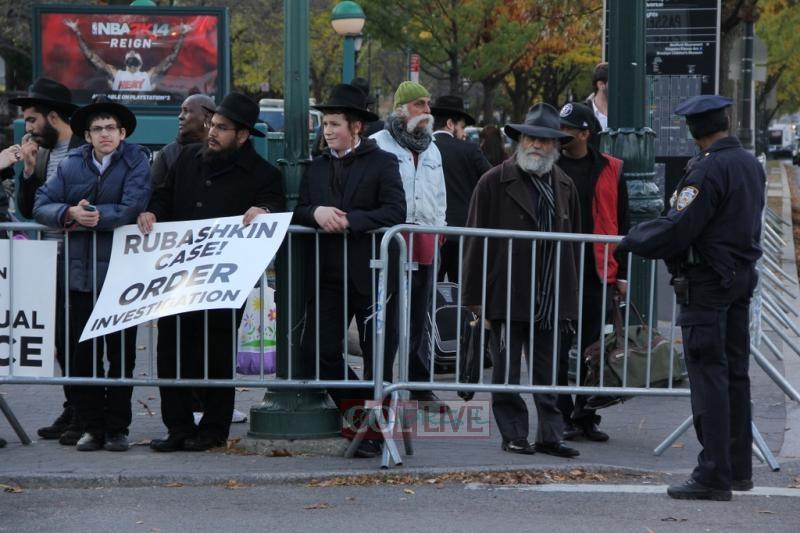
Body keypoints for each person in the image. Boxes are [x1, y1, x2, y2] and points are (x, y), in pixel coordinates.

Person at [616, 95, 765, 501]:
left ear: (692, 131)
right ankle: (737, 469)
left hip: (706, 283)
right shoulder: (749, 165)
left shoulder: (707, 169)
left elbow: (680, 228)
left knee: (708, 377)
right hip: (737, 279)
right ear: (727, 122)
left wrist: (632, 240)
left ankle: (714, 473)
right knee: (735, 375)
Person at [138, 93, 285, 452]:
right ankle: (178, 427)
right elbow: (163, 195)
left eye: (222, 128)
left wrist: (263, 210)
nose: (212, 132)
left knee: (217, 350)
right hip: (177, 274)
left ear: (243, 135)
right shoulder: (188, 158)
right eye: (212, 125)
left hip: (224, 280)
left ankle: (214, 428)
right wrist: (152, 213)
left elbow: (275, 207)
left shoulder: (264, 174)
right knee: (172, 349)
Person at [462, 103, 581, 458]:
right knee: (506, 370)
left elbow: (573, 243)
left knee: (550, 370)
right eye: (530, 138)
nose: (536, 146)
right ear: (520, 140)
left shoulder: (565, 184)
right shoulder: (493, 181)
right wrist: (473, 294)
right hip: (507, 291)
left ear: (556, 146)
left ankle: (550, 434)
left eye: (544, 141)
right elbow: (473, 240)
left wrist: (570, 296)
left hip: (550, 293)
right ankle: (513, 433)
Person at [294, 83, 406, 458]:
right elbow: (299, 209)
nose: (327, 131)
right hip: (327, 275)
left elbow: (395, 211)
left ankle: (376, 436)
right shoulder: (316, 167)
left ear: (356, 127)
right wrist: (316, 213)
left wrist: (351, 220)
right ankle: (363, 421)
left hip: (372, 273)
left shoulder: (383, 162)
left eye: (335, 124)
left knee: (379, 358)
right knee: (316, 351)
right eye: (324, 123)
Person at [34, 100, 152, 452]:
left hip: (121, 276)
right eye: (98, 129)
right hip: (79, 274)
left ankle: (117, 428)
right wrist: (67, 212)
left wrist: (95, 216)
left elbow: (134, 204)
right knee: (81, 356)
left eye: (111, 128)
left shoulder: (137, 161)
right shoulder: (71, 165)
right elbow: (41, 203)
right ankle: (90, 426)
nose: (105, 134)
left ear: (122, 133)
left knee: (120, 356)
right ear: (87, 135)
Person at [7, 79, 85, 444]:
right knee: (60, 341)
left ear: (54, 116)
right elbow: (30, 208)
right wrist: (27, 171)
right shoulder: (46, 153)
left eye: (33, 119)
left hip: (81, 258)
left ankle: (86, 412)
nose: (29, 127)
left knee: (78, 339)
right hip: (49, 257)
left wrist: (59, 211)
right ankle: (73, 406)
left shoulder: (83, 150)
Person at [555, 102, 629, 442]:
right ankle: (560, 412)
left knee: (592, 348)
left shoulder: (611, 168)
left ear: (585, 133)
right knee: (557, 344)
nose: (560, 134)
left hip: (597, 272)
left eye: (567, 129)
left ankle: (585, 413)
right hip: (557, 270)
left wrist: (622, 274)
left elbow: (623, 222)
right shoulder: (549, 165)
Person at [371, 81, 447, 404]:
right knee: (387, 315)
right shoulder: (378, 144)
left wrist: (441, 229)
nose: (427, 111)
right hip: (391, 238)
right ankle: (383, 381)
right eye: (420, 104)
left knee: (420, 316)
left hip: (426, 238)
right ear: (403, 110)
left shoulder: (433, 148)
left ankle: (419, 382)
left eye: (428, 104)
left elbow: (440, 193)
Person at [430, 95, 491, 282]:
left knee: (430, 296)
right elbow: (492, 180)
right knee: (463, 296)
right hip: (463, 233)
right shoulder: (469, 150)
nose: (463, 133)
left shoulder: (423, 150)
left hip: (431, 235)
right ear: (450, 124)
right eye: (462, 127)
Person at [64, 19, 190, 92]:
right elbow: (91, 56)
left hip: (144, 108)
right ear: (125, 62)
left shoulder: (148, 75)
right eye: (130, 54)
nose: (132, 52)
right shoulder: (116, 74)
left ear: (140, 63)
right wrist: (77, 32)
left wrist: (183, 34)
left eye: (135, 54)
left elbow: (171, 58)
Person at [150, 94, 215, 188]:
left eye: (186, 111)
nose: (180, 116)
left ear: (207, 118)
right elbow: (154, 194)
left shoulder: (221, 150)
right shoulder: (168, 153)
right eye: (181, 111)